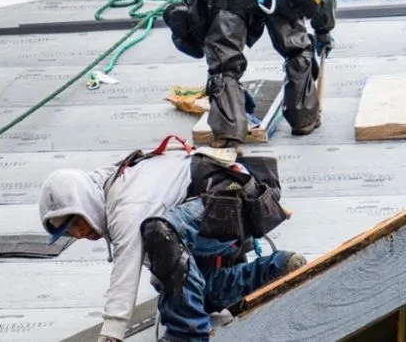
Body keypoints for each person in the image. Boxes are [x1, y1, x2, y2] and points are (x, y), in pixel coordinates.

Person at [38, 136, 307, 342]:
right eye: (70, 233)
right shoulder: (108, 185)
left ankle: (186, 336)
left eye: (78, 223)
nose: (80, 234)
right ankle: (275, 269)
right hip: (221, 210)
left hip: (226, 202)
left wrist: (110, 335)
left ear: (86, 203)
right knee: (198, 294)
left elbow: (125, 273)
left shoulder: (126, 204)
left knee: (159, 236)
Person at [163, 0, 337, 150]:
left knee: (224, 67)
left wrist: (226, 83)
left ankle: (228, 133)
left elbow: (197, 16)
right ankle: (304, 119)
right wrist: (323, 32)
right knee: (297, 50)